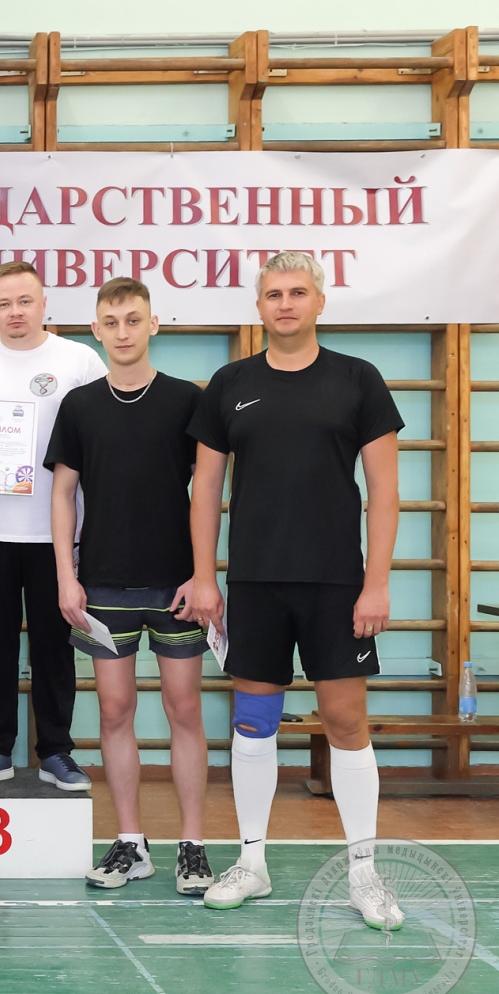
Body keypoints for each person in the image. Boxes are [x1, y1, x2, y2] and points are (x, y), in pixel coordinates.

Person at [183, 252, 405, 930]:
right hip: (256, 582)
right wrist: (204, 575)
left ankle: (364, 874)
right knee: (254, 723)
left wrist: (376, 584)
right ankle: (252, 863)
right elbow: (205, 489)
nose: (286, 303)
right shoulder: (231, 384)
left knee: (345, 721)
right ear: (259, 306)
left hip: (337, 584)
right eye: (274, 293)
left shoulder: (358, 379)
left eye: (298, 292)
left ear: (319, 302)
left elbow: (385, 492)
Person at [42, 278, 212, 895]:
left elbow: (208, 492)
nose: (123, 332)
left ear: (153, 324)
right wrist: (66, 577)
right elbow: (62, 495)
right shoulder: (79, 405)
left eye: (133, 320)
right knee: (114, 712)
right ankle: (131, 842)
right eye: (111, 322)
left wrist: (203, 574)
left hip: (175, 585)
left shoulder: (186, 400)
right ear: (96, 330)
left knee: (184, 710)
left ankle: (192, 844)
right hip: (103, 586)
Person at [0, 260, 107, 791]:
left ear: (43, 303)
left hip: (58, 534)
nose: (15, 312)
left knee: (55, 647)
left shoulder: (79, 359)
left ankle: (56, 752)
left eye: (25, 301)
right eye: (4, 303)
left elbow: (100, 434)